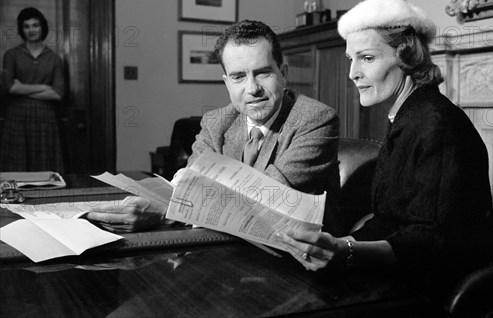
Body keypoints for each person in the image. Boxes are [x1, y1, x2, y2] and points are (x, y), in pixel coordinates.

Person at [277, 0, 492, 300]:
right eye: (351, 59)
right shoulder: (406, 116)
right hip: (404, 277)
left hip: (435, 293)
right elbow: (390, 221)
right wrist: (337, 246)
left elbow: (433, 240)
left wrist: (348, 251)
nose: (352, 73)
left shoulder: (437, 125)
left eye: (366, 58)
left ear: (407, 57)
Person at [87, 20, 343, 235]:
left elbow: (269, 197)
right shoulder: (216, 121)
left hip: (295, 259)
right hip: (225, 246)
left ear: (283, 73)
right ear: (226, 82)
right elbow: (190, 182)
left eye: (263, 73)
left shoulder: (315, 119)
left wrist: (167, 210)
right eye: (238, 76)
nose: (252, 89)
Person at [0, 7, 65, 172]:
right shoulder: (11, 55)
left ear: (42, 27)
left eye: (35, 25)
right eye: (26, 26)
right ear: (21, 30)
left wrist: (23, 87)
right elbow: (11, 87)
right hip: (17, 117)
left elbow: (57, 93)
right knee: (16, 168)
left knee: (44, 167)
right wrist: (43, 87)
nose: (31, 30)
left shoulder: (54, 58)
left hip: (45, 118)